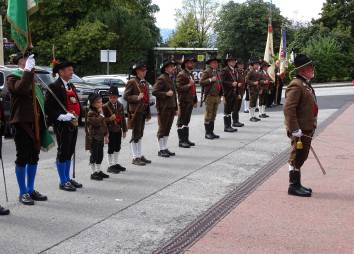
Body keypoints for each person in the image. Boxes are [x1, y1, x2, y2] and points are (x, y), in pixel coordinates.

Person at [7, 53, 47, 205]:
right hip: (22, 123)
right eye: (26, 60)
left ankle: (30, 189)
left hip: (36, 123)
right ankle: (22, 192)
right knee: (22, 157)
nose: (29, 62)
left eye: (30, 60)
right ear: (20, 62)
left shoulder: (33, 78)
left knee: (34, 157)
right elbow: (21, 89)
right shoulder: (12, 77)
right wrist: (27, 71)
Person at [45, 59, 82, 192]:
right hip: (62, 124)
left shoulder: (71, 86)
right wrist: (61, 116)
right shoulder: (54, 87)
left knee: (70, 150)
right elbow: (48, 107)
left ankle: (67, 177)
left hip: (74, 122)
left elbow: (76, 102)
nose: (72, 72)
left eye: (72, 70)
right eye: (69, 70)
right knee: (63, 151)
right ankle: (63, 180)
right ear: (61, 72)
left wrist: (80, 114)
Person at [284, 54, 318, 197]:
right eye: (310, 67)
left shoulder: (304, 83)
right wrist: (294, 128)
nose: (312, 69)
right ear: (302, 70)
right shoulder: (296, 84)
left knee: (302, 155)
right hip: (300, 129)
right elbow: (289, 108)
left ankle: (297, 184)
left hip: (306, 127)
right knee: (297, 156)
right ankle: (293, 186)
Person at [124, 63, 152, 166]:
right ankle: (135, 157)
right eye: (142, 70)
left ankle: (139, 155)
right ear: (137, 71)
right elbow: (126, 96)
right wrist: (137, 97)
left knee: (140, 134)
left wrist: (148, 112)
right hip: (135, 112)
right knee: (135, 134)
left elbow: (147, 99)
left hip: (143, 111)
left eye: (145, 70)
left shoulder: (145, 83)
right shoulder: (132, 82)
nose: (144, 72)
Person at [152, 60, 178, 157]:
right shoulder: (162, 78)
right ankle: (161, 149)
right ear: (166, 68)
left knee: (167, 128)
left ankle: (165, 147)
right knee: (162, 128)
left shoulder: (170, 78)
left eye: (173, 66)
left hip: (170, 107)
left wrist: (176, 107)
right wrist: (165, 94)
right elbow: (154, 91)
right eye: (171, 67)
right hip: (163, 107)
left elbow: (174, 94)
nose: (173, 68)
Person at [103, 86, 127, 173]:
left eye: (114, 97)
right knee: (111, 148)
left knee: (117, 147)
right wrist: (110, 119)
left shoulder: (120, 105)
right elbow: (102, 120)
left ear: (117, 97)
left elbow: (123, 118)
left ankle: (116, 163)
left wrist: (124, 130)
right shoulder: (105, 106)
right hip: (110, 131)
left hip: (118, 130)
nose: (112, 99)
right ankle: (110, 165)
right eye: (110, 97)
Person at [176, 55, 198, 148]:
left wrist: (195, 99)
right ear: (185, 64)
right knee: (181, 120)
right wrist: (189, 84)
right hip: (184, 100)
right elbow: (179, 88)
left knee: (186, 120)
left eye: (192, 63)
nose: (192, 64)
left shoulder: (190, 74)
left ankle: (186, 139)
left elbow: (193, 88)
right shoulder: (181, 74)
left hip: (190, 100)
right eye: (189, 63)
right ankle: (181, 141)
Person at [86, 93, 109, 180]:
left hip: (100, 138)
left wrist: (106, 135)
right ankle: (93, 172)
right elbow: (96, 123)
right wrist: (101, 115)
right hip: (94, 138)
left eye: (101, 102)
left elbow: (104, 125)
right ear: (93, 104)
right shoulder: (91, 113)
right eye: (98, 102)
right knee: (94, 155)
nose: (101, 104)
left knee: (100, 155)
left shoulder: (99, 112)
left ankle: (98, 170)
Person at [200, 54, 223, 139]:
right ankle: (207, 133)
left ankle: (211, 132)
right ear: (210, 64)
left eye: (216, 63)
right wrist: (210, 80)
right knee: (208, 115)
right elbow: (201, 82)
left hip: (216, 96)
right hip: (209, 96)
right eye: (214, 63)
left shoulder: (217, 72)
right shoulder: (207, 71)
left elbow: (220, 84)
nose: (216, 64)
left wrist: (220, 95)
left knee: (213, 115)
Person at [221, 54, 238, 132]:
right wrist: (231, 84)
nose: (233, 62)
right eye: (231, 61)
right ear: (228, 62)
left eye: (234, 61)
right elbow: (222, 82)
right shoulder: (225, 70)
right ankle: (226, 126)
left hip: (233, 93)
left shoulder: (233, 70)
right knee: (227, 110)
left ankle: (229, 125)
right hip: (227, 93)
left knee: (230, 109)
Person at [233, 59, 246, 127]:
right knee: (235, 107)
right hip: (237, 92)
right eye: (240, 65)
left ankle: (237, 120)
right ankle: (235, 121)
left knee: (238, 107)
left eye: (242, 65)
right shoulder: (236, 72)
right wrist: (238, 92)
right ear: (237, 65)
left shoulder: (242, 72)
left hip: (241, 92)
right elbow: (234, 81)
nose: (242, 66)